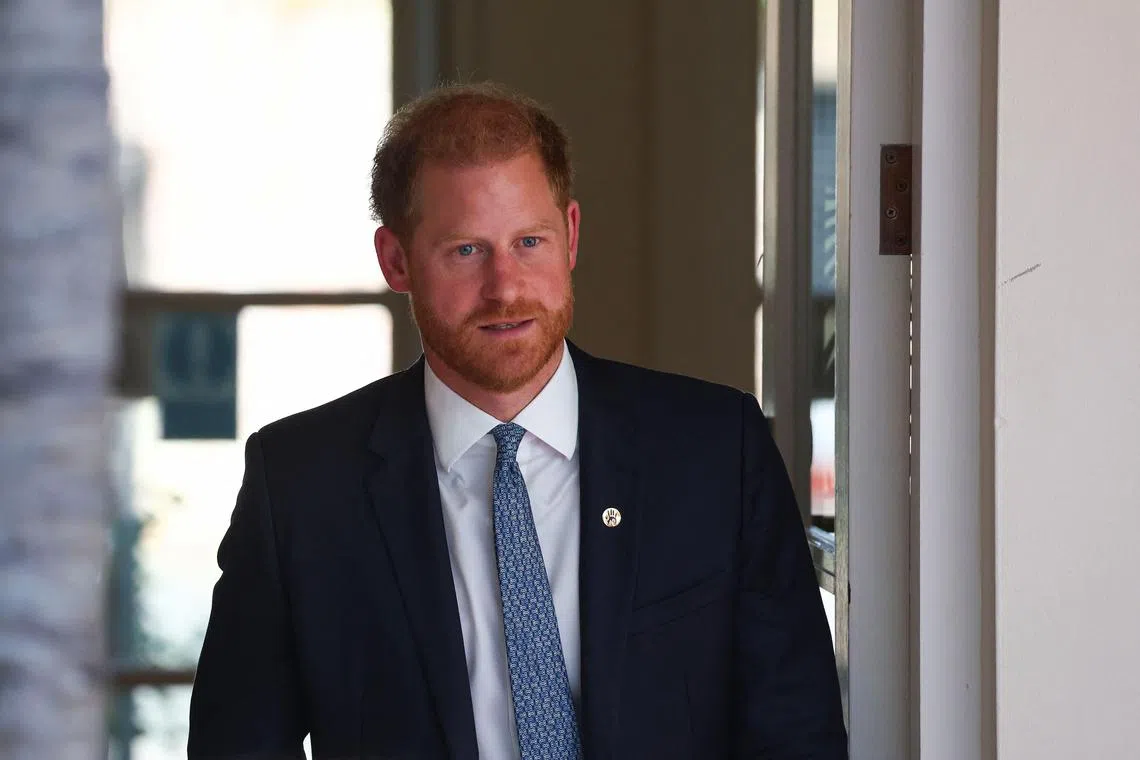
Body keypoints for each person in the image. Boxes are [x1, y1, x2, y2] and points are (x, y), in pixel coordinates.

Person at [188, 82, 847, 760]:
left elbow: (797, 733)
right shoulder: (300, 485)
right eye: (466, 251)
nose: (505, 286)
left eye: (529, 241)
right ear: (396, 260)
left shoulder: (715, 453)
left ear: (571, 236)